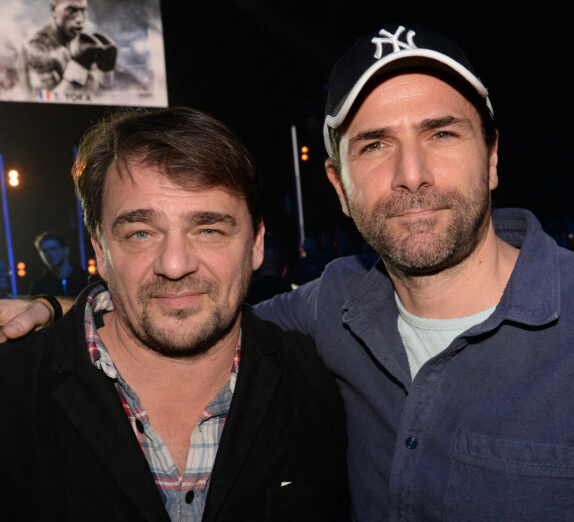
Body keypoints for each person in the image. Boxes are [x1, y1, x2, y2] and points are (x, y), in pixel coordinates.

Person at [4, 23, 574, 520]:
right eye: (375, 145)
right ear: (339, 187)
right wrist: (53, 310)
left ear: (494, 155)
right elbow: (191, 303)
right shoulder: (330, 311)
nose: (412, 174)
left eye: (442, 133)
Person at [0, 107, 347, 520]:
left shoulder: (320, 386)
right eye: (141, 233)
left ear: (256, 244)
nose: (176, 264)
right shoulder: (12, 391)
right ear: (101, 253)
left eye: (209, 230)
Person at [20, 0, 117, 96]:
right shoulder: (37, 46)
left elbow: (97, 98)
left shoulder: (81, 43)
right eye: (72, 10)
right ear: (54, 10)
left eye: (83, 10)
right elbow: (43, 102)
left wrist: (106, 71)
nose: (80, 19)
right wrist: (79, 67)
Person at [31, 231, 92, 297]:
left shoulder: (85, 279)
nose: (49, 254)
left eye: (53, 249)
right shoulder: (40, 286)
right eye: (44, 251)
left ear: (65, 249)